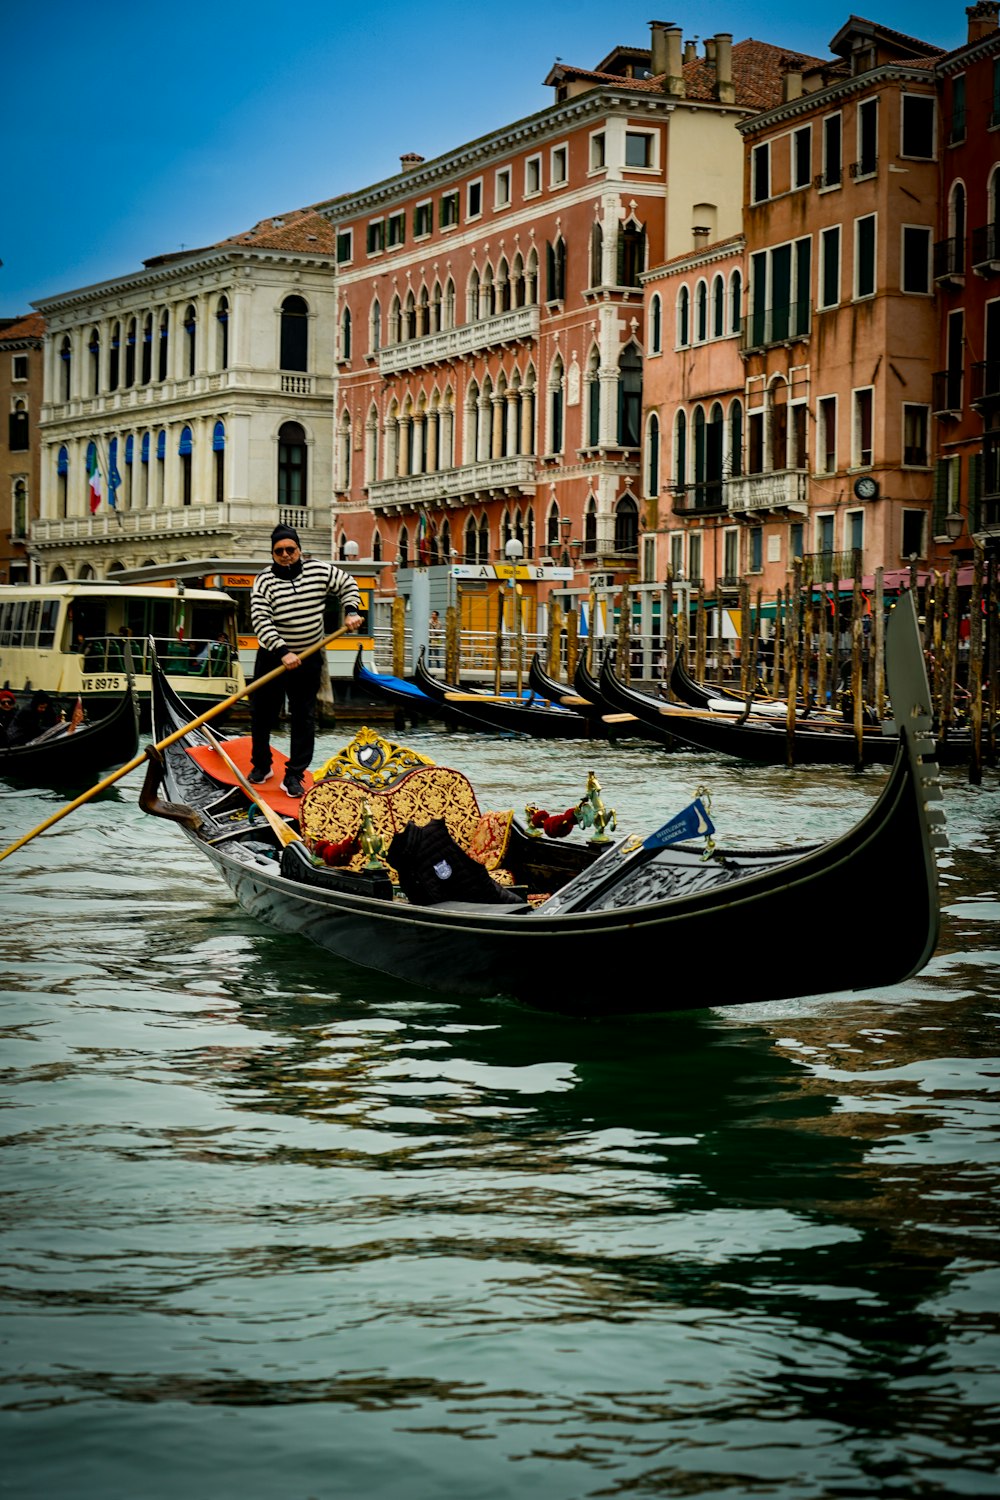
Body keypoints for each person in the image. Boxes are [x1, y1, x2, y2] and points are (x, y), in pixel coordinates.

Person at [249, 524, 364, 799]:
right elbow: (260, 620)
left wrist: (350, 611)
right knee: (262, 712)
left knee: (304, 716)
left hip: (310, 654)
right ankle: (262, 765)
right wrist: (282, 651)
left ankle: (294, 774)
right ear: (273, 553)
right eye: (279, 551)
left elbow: (348, 584)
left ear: (299, 550)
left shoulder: (319, 570)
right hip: (273, 656)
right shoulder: (263, 581)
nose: (286, 555)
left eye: (291, 549)